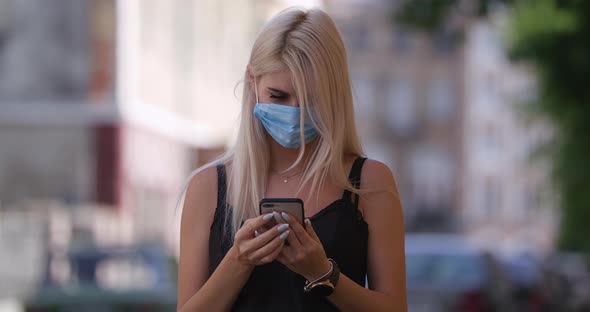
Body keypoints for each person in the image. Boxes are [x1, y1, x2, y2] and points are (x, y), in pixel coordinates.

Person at [177, 7, 407, 312]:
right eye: (279, 96)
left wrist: (322, 274)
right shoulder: (208, 186)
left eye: (312, 100)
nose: (296, 114)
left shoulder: (368, 182)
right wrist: (239, 260)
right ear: (252, 82)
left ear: (333, 96)